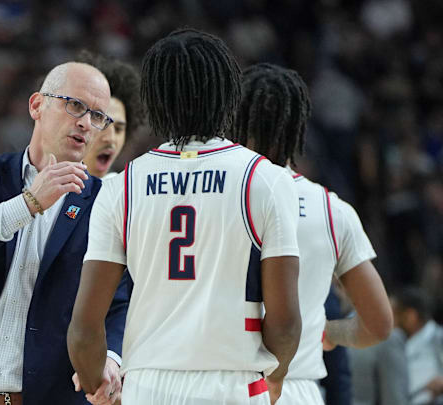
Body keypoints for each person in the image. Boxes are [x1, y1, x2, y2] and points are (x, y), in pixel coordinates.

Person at [68, 29, 302, 405]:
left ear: (155, 101)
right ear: (228, 94)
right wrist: (275, 375)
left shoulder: (121, 188)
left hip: (147, 385)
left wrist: (98, 383)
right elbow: (286, 323)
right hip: (233, 383)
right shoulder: (265, 178)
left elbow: (83, 329)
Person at [0, 62, 130, 405]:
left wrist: (112, 357)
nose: (86, 123)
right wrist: (27, 204)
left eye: (97, 116)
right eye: (75, 105)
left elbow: (120, 297)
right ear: (36, 106)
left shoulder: (106, 201)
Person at [230, 63, 393, 404]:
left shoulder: (213, 195)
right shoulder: (332, 210)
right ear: (297, 126)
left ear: (234, 118)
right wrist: (330, 332)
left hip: (218, 386)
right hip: (295, 389)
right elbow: (378, 324)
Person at [77, 51, 144, 179]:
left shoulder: (127, 193)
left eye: (119, 129)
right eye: (101, 123)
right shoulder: (35, 182)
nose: (111, 139)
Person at [391, 287, 443, 404]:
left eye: (393, 314)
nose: (389, 322)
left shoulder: (439, 338)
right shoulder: (394, 345)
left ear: (411, 316)